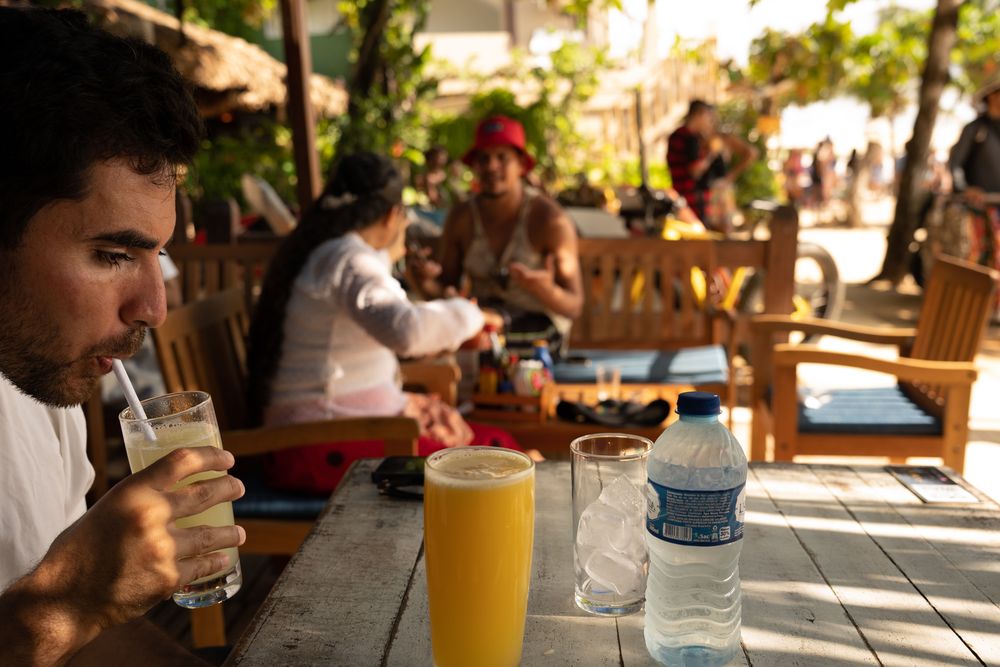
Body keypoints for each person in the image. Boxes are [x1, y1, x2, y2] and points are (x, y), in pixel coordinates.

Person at [0, 7, 246, 665]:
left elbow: (86, 634)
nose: (155, 307)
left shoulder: (38, 378)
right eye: (113, 254)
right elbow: (65, 617)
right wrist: (64, 604)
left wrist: (83, 602)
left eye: (156, 256)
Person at [245, 152, 521, 493]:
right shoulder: (347, 257)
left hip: (317, 435)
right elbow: (408, 331)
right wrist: (473, 314)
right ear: (393, 215)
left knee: (498, 448)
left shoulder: (330, 251)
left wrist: (385, 256)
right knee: (499, 461)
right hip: (316, 444)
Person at [410, 115, 583, 356]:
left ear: (521, 165)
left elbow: (574, 307)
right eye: (484, 158)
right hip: (480, 322)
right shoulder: (461, 217)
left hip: (538, 331)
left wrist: (544, 289)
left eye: (502, 157)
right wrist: (423, 279)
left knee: (476, 342)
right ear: (475, 166)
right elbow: (444, 290)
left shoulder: (550, 220)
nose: (492, 166)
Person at [949, 71, 1000, 207]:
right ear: (991, 95)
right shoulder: (974, 129)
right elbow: (956, 165)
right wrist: (965, 188)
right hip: (981, 208)